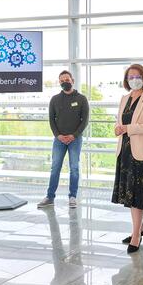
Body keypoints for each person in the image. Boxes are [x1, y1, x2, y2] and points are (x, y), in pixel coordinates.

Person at [112, 63, 143, 253]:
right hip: (125, 152)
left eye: (137, 76)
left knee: (137, 196)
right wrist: (118, 128)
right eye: (130, 77)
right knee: (129, 194)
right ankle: (140, 229)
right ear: (126, 80)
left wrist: (129, 129)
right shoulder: (124, 98)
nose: (134, 80)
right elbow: (121, 122)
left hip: (142, 154)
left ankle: (135, 236)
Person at [37, 70, 89, 209]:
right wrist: (58, 135)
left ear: (72, 80)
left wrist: (74, 135)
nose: (64, 82)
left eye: (66, 79)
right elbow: (51, 120)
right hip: (59, 139)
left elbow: (85, 121)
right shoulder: (54, 99)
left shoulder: (82, 99)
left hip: (75, 139)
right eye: (61, 80)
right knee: (55, 168)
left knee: (74, 168)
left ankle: (72, 196)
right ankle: (50, 196)